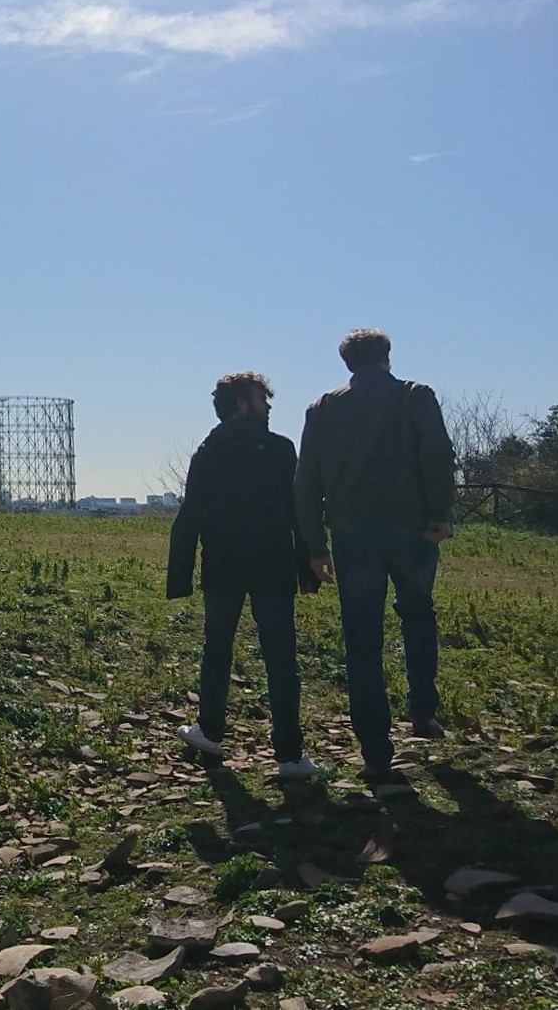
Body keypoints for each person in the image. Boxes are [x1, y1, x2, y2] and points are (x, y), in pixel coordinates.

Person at [295, 328, 457, 780]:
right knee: (418, 611)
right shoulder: (415, 395)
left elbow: (305, 482)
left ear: (347, 363)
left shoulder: (322, 408)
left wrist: (314, 546)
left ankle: (375, 750)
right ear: (387, 356)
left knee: (362, 638)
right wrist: (440, 512)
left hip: (351, 534)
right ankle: (423, 710)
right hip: (414, 530)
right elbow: (438, 454)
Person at [168, 372, 320, 782]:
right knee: (281, 658)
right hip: (272, 564)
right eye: (261, 399)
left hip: (223, 564)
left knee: (217, 648)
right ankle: (289, 754)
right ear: (242, 403)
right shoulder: (280, 449)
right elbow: (298, 511)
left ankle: (210, 731)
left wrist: (179, 575)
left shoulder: (209, 449)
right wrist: (309, 566)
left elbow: (191, 512)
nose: (268, 407)